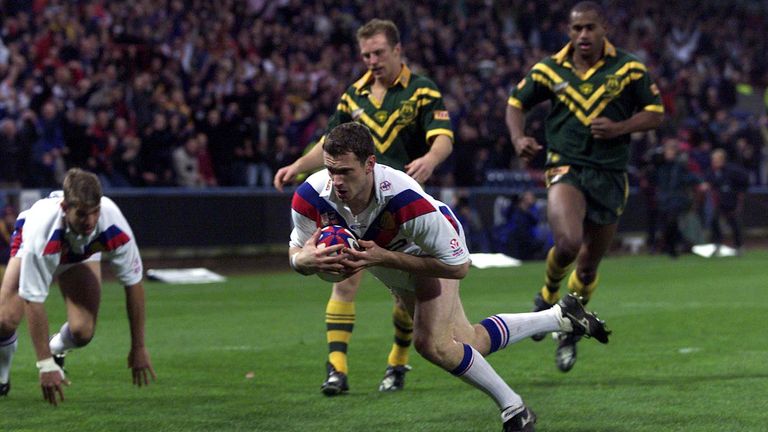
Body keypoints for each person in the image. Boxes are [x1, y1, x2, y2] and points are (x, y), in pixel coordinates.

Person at [288, 122, 610, 431]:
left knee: (432, 343)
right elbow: (297, 252)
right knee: (470, 342)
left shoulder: (405, 201)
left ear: (370, 164)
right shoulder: (310, 197)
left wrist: (383, 257)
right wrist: (304, 260)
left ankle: (515, 410)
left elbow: (457, 268)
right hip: (384, 260)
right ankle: (559, 317)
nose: (336, 180)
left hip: (428, 253)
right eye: (331, 170)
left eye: (346, 171)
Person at [274, 19, 454, 395]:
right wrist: (298, 166)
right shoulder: (353, 95)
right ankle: (336, 369)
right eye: (366, 55)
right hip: (352, 202)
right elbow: (330, 143)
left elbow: (443, 137)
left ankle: (397, 361)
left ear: (397, 50)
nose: (372, 61)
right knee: (343, 269)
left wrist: (430, 159)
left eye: (378, 53)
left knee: (403, 294)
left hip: (399, 208)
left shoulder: (421, 90)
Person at [505, 1, 663, 372]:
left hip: (611, 174)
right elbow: (515, 103)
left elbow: (655, 113)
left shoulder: (628, 68)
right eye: (577, 29)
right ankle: (547, 294)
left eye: (590, 27)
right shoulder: (549, 68)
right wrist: (518, 137)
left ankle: (569, 328)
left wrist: (620, 127)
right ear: (569, 31)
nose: (583, 35)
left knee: (589, 267)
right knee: (568, 244)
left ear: (604, 27)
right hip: (566, 165)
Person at [0, 168, 156, 404]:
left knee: (83, 332)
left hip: (80, 256)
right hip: (35, 245)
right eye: (82, 214)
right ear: (65, 208)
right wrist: (45, 365)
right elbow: (33, 299)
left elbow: (133, 283)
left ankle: (56, 346)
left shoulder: (113, 223)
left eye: (95, 212)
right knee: (5, 320)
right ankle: (2, 377)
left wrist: (139, 347)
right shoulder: (43, 231)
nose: (90, 221)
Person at [705, 148, 749, 253]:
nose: (714, 162)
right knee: (714, 221)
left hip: (731, 201)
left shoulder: (733, 170)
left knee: (734, 223)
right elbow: (710, 182)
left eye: (716, 159)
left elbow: (745, 179)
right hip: (719, 201)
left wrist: (740, 192)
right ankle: (718, 244)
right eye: (713, 159)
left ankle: (739, 245)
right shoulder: (711, 171)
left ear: (722, 159)